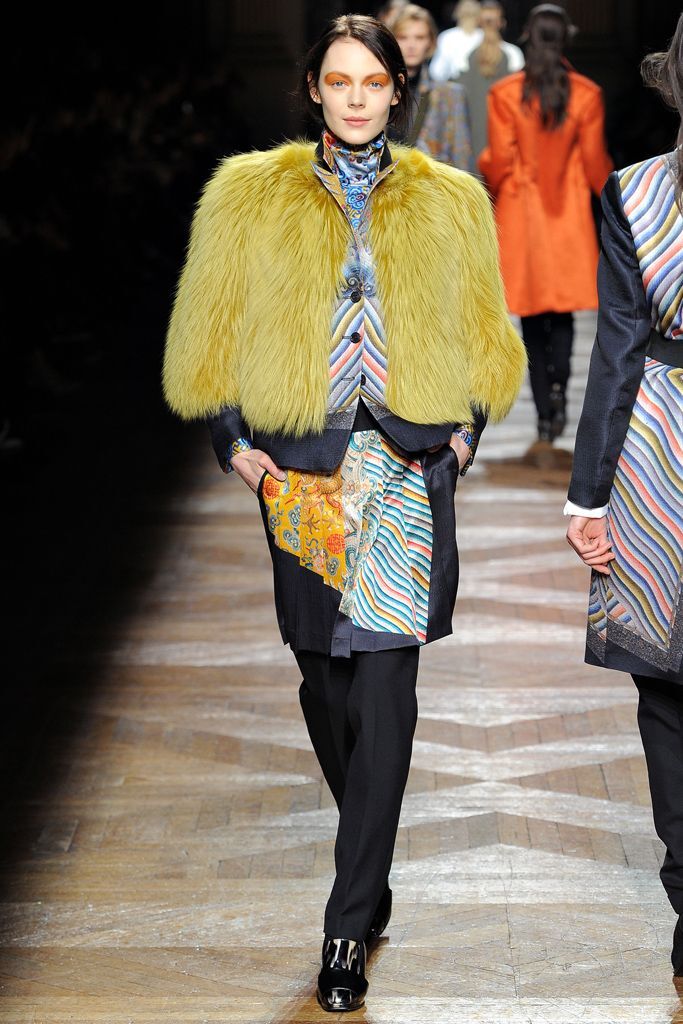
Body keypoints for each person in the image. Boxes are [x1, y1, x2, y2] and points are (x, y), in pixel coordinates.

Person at [163, 14, 526, 1013]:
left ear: (397, 90)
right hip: (302, 465)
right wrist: (234, 446)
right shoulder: (248, 194)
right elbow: (210, 326)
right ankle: (371, 864)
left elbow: (482, 331)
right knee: (327, 685)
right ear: (313, 91)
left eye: (373, 81)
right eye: (339, 81)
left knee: (387, 686)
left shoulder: (450, 199)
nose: (357, 97)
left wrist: (462, 437)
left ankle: (344, 924)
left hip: (406, 461)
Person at [565, 13, 683, 988]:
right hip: (656, 447)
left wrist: (586, 496)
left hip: (655, 446)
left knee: (665, 687)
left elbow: (617, 348)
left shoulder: (635, 193)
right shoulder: (634, 191)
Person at [479, 4, 612, 442]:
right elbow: (594, 163)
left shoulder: (505, 94)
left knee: (533, 319)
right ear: (567, 38)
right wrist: (619, 204)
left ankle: (542, 413)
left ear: (527, 36)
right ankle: (558, 395)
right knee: (564, 313)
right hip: (567, 214)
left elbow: (499, 161)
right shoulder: (586, 94)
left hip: (522, 213)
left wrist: (486, 166)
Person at [391, 3, 474, 169]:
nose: (411, 45)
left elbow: (462, 159)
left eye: (419, 37)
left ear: (430, 42)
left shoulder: (451, 95)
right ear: (392, 42)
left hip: (432, 183)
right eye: (403, 37)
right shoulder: (378, 92)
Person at [458, 1, 524, 163]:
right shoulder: (514, 54)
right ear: (502, 23)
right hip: (502, 130)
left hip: (472, 130)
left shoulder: (463, 53)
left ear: (478, 22)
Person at [430, 0, 523, 83]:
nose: (489, 27)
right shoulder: (454, 40)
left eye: (491, 21)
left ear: (502, 23)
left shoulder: (512, 53)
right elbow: (438, 73)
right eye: (486, 22)